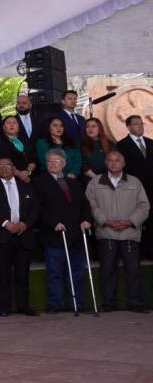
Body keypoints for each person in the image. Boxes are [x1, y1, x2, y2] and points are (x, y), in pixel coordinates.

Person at [85, 151, 150, 312]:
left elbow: (144, 206)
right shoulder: (95, 182)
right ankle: (109, 303)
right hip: (106, 232)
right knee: (107, 269)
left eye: (117, 160)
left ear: (124, 163)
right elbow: (91, 205)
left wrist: (130, 221)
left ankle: (135, 303)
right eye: (110, 160)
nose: (113, 163)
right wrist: (105, 221)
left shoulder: (135, 182)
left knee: (133, 270)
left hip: (130, 233)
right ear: (105, 163)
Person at [33, 149, 92, 313]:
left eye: (56, 161)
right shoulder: (39, 182)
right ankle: (55, 305)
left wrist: (86, 219)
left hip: (76, 235)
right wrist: (53, 223)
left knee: (77, 273)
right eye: (49, 161)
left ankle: (77, 304)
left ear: (64, 164)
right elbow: (38, 207)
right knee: (55, 273)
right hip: (55, 235)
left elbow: (84, 205)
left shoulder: (74, 183)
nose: (52, 164)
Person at [0, 157, 40, 316]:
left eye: (7, 165)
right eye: (0, 166)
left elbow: (35, 208)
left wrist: (25, 224)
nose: (4, 168)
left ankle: (24, 306)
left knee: (23, 274)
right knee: (3, 275)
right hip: (1, 236)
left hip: (23, 235)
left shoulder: (26, 185)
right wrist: (5, 223)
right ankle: (4, 307)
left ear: (14, 167)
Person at [115, 115, 153, 257]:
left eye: (141, 123)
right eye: (136, 124)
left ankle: (150, 251)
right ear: (129, 127)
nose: (140, 126)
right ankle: (137, 252)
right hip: (133, 188)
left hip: (151, 188)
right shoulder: (121, 145)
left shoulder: (150, 142)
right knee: (136, 219)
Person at [0, 115, 37, 181]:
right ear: (3, 127)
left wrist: (28, 171)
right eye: (8, 123)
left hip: (30, 175)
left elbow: (33, 159)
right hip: (11, 178)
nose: (12, 125)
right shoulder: (0, 143)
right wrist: (19, 174)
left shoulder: (25, 139)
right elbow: (3, 162)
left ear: (19, 127)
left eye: (14, 123)